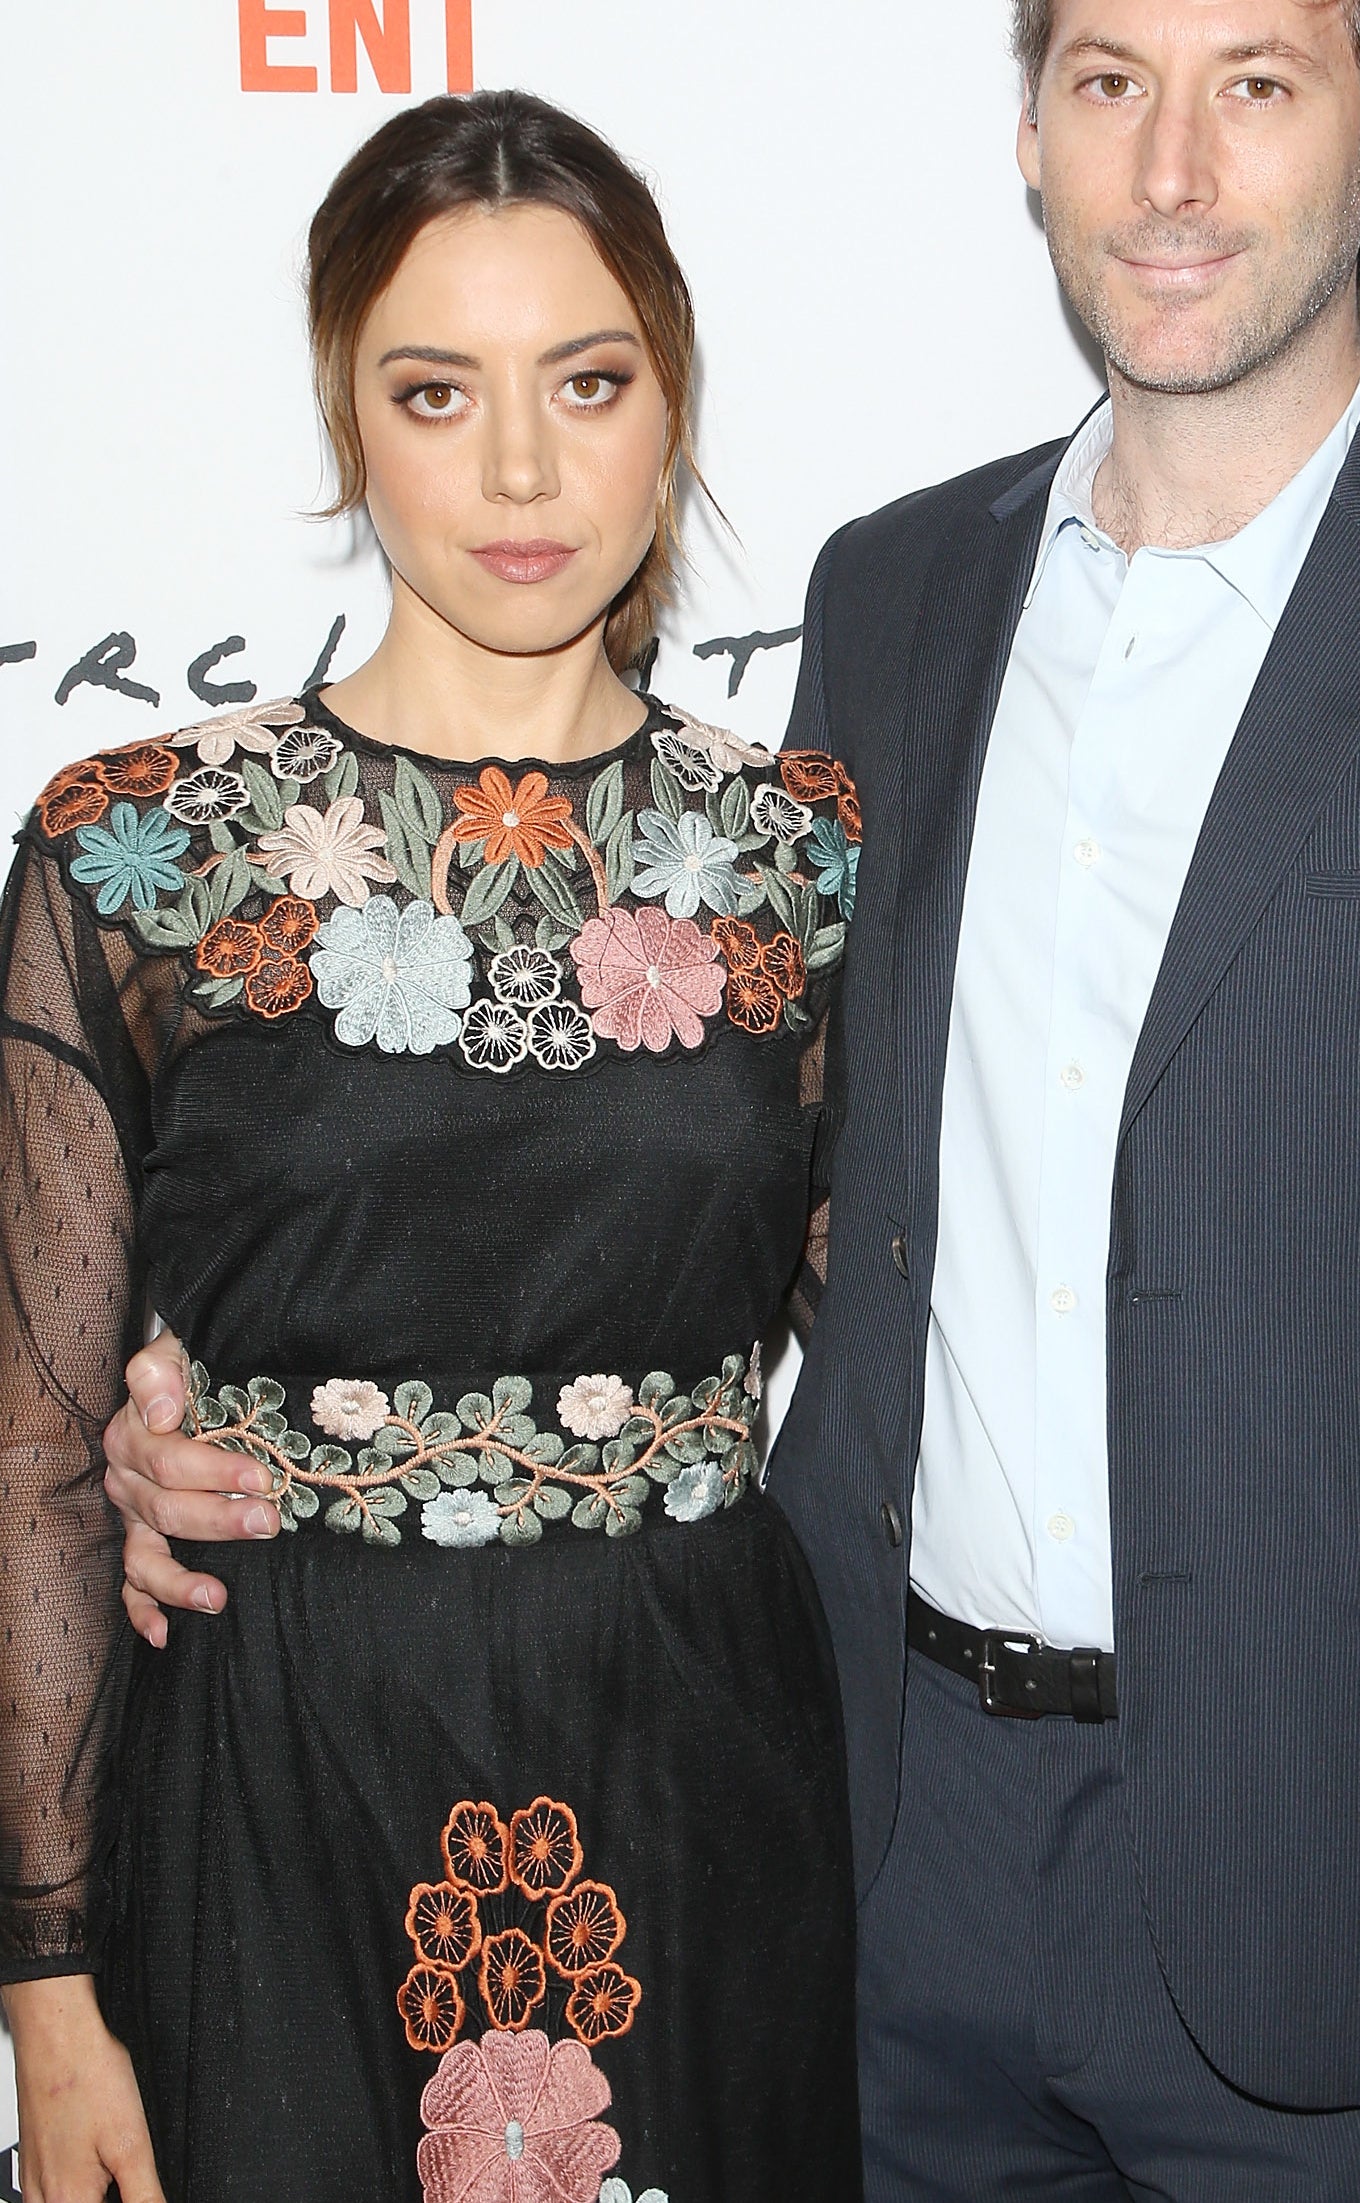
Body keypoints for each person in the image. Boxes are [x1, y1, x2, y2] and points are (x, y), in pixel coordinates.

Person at [105, 2, 1360, 2200]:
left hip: (1351, 1908)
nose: (1167, 167)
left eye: (1252, 82)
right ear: (1030, 130)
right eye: (1105, 82)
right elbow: (708, 1175)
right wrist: (217, 1406)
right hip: (865, 1861)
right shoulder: (895, 595)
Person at [0, 89, 862, 2203]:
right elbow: (28, 1447)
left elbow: (919, 1320)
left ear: (666, 404)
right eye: (431, 389)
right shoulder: (136, 851)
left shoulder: (796, 854)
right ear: (344, 423)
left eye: (584, 380)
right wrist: (43, 1982)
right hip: (273, 1765)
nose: (516, 468)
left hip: (699, 1763)